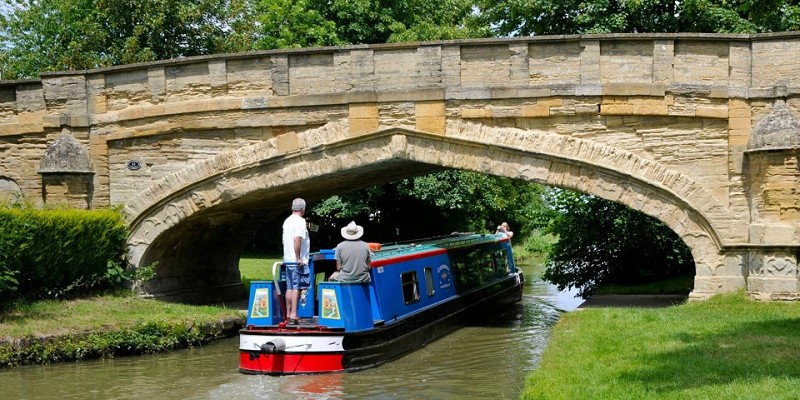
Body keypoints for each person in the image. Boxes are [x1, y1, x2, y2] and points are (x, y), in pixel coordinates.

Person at [282, 198, 310, 324]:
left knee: (289, 287)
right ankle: (294, 315)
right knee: (297, 287)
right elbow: (297, 239)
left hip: (287, 259)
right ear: (303, 209)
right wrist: (298, 257)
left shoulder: (287, 221)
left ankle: (288, 314)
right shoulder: (300, 221)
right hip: (296, 260)